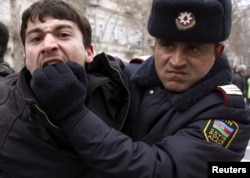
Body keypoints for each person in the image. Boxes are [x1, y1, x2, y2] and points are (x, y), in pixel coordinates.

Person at [27, 0, 250, 177]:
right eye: (167, 45)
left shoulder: (228, 113)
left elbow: (161, 170)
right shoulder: (130, 76)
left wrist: (74, 114)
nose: (176, 61)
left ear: (218, 52)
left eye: (193, 49)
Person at [0, 0, 129, 177]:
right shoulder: (4, 112)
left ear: (89, 52)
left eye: (63, 34)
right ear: (25, 56)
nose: (48, 45)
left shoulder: (121, 92)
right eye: (36, 39)